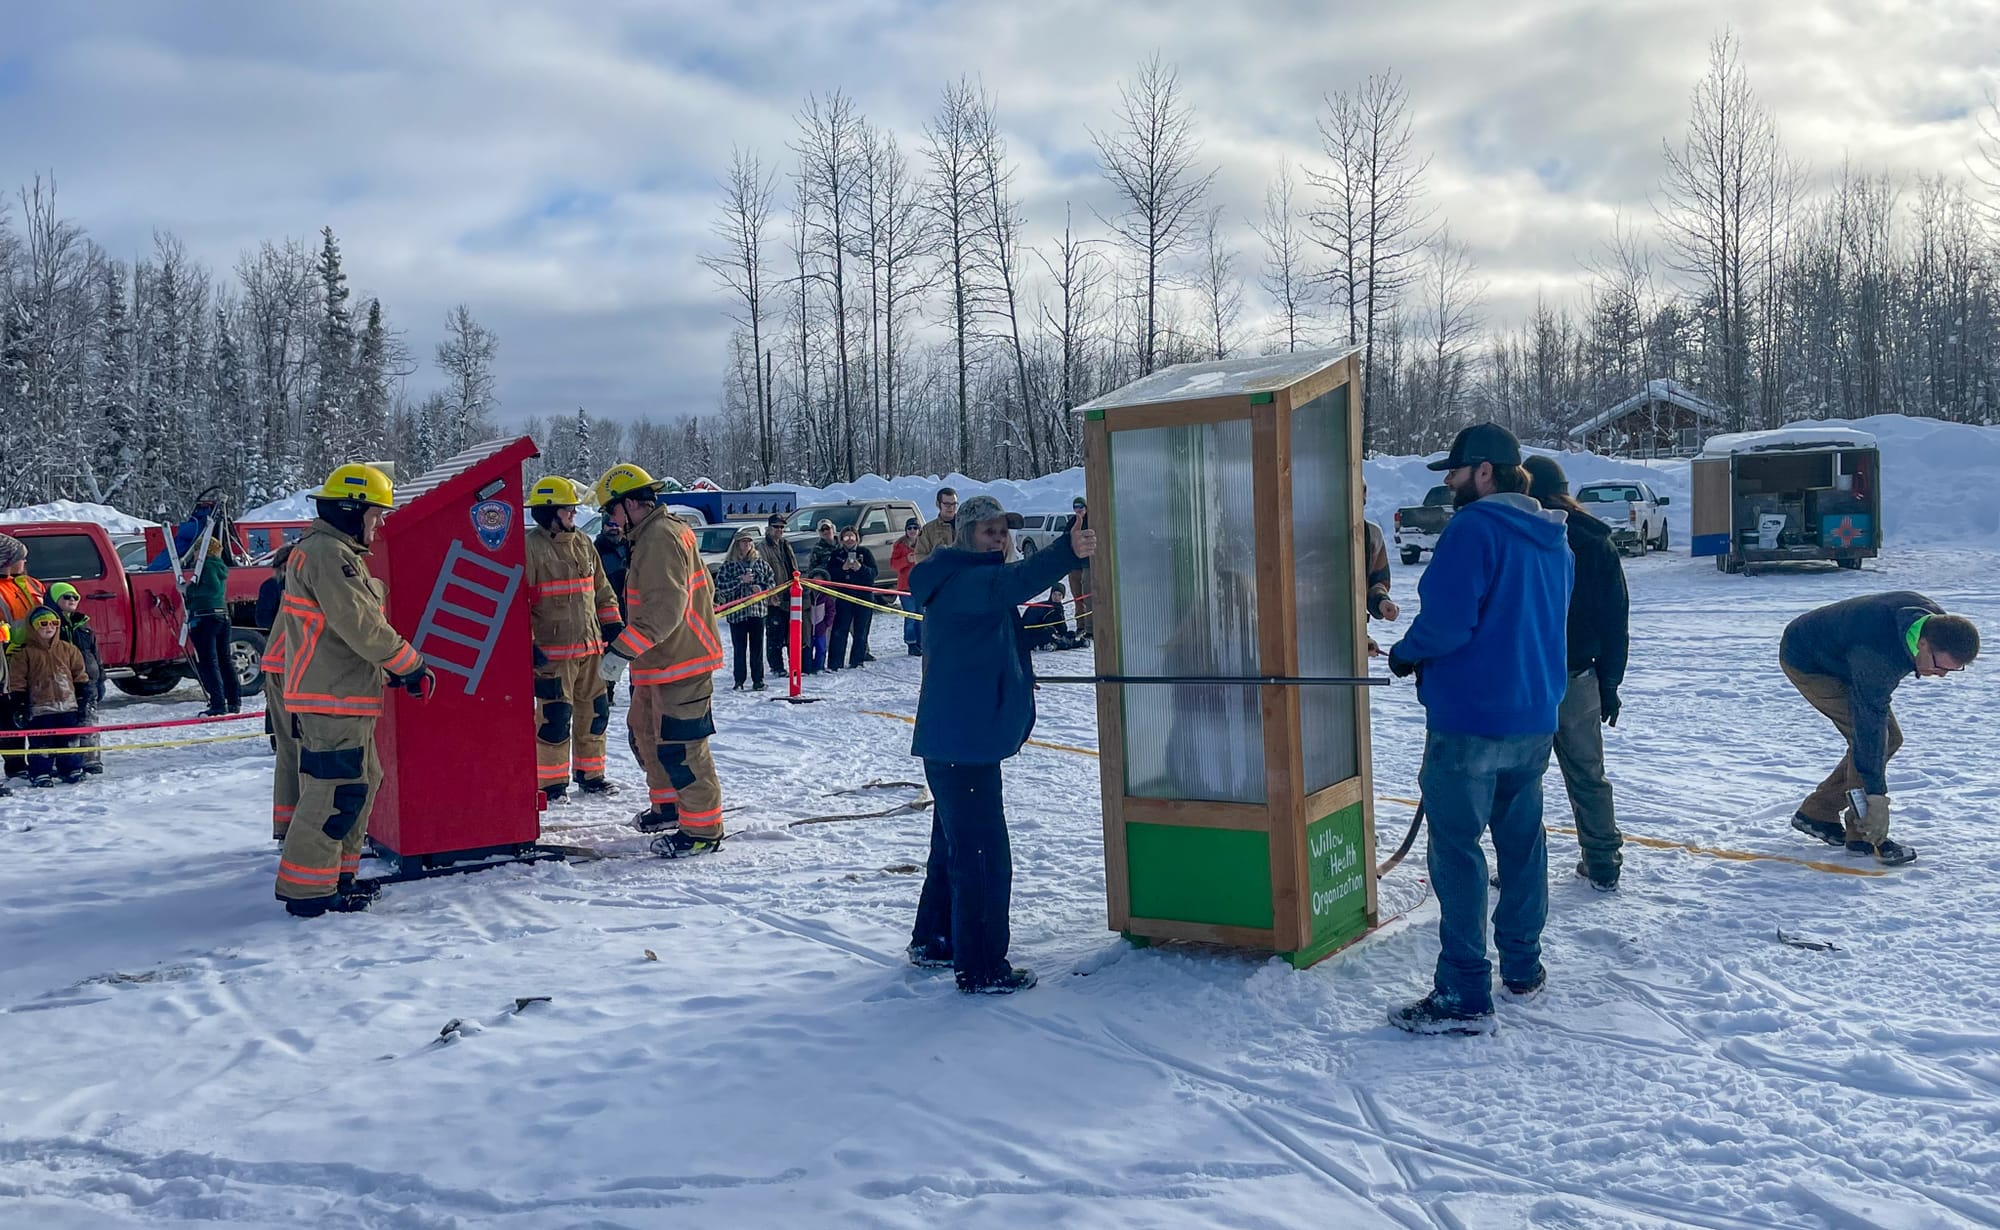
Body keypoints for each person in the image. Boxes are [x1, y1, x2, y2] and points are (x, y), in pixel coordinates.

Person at [1384, 423, 1573, 1035]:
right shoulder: (1555, 539)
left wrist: (1406, 652)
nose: (1448, 480)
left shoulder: (1472, 529)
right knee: (1522, 843)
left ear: (1484, 472)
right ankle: (1523, 966)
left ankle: (1464, 990)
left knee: (1457, 850)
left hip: (1470, 721)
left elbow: (1448, 622)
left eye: (1456, 470)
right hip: (1534, 716)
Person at [906, 494, 1097, 995]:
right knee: (984, 855)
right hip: (963, 743)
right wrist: (1068, 551)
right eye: (990, 530)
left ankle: (935, 939)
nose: (1000, 538)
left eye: (1004, 530)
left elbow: (1000, 621)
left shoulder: (958, 577)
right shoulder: (969, 579)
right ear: (966, 533)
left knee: (952, 845)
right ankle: (982, 967)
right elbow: (1017, 581)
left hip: (955, 738)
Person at [270, 463, 435, 918]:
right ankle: (307, 891)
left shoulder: (332, 551)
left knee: (361, 784)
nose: (379, 524)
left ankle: (336, 877)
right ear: (350, 510)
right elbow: (360, 624)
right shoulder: (327, 554)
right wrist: (410, 664)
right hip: (331, 698)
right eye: (374, 514)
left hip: (344, 694)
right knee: (333, 791)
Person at [1780, 592, 1979, 866]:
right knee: (1873, 738)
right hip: (1809, 660)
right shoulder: (1880, 656)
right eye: (1939, 666)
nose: (1941, 675)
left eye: (1952, 670)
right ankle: (1864, 835)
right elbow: (1869, 726)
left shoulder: (1935, 626)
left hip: (1846, 652)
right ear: (1922, 644)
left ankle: (1818, 812)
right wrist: (1876, 797)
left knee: (1888, 738)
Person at [594, 463, 727, 857]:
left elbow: (664, 611)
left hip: (681, 662)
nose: (611, 520)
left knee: (682, 747)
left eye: (612, 510)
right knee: (647, 736)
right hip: (658, 662)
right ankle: (668, 807)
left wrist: (621, 650)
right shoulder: (654, 534)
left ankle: (703, 830)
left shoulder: (659, 538)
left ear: (632, 503)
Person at [1523, 455, 1629, 891]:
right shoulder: (1596, 540)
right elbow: (1614, 618)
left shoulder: (1525, 538)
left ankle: (1523, 865)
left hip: (1527, 676)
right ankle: (1603, 860)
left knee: (1523, 779)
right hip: (1579, 675)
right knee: (1588, 775)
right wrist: (1610, 683)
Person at [525, 475, 624, 802]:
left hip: (591, 650)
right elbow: (517, 604)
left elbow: (603, 592)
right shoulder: (531, 548)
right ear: (549, 512)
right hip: (552, 657)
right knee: (555, 719)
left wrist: (612, 626)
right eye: (568, 510)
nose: (573, 515)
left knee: (596, 714)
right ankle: (551, 784)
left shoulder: (583, 542)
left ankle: (592, 776)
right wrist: (528, 646)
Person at [8, 607, 91, 786]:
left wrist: (83, 695)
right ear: (33, 627)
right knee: (41, 743)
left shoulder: (69, 649)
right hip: (40, 707)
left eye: (54, 623)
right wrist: (19, 703)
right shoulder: (24, 653)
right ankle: (40, 772)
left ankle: (70, 768)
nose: (49, 627)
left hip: (68, 705)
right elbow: (17, 680)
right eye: (43, 624)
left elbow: (80, 674)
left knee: (69, 741)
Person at [258, 541, 300, 838]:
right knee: (303, 748)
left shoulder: (271, 586)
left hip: (276, 660)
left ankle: (285, 826)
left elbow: (261, 618)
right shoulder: (307, 584)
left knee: (286, 747)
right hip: (296, 664)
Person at [48, 583, 105, 776]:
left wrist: (101, 679)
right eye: (66, 597)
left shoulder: (84, 627)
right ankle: (66, 760)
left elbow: (96, 655)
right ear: (55, 600)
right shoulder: (51, 626)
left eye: (75, 597)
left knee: (88, 720)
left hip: (88, 681)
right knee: (67, 723)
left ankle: (90, 759)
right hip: (62, 683)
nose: (71, 600)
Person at [183, 533, 241, 716]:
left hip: (205, 616)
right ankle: (234, 700)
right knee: (224, 659)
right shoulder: (220, 566)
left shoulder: (206, 566)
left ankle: (218, 704)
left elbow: (210, 588)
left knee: (209, 662)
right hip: (221, 615)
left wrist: (188, 589)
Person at [713, 527, 776, 691]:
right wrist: (740, 580)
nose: (747, 544)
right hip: (737, 613)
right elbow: (720, 587)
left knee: (757, 648)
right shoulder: (728, 566)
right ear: (737, 544)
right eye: (743, 541)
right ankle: (739, 680)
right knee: (739, 649)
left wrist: (761, 588)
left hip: (757, 611)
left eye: (749, 541)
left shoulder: (761, 564)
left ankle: (758, 680)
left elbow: (771, 583)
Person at [827, 526, 878, 670]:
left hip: (863, 597)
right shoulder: (836, 554)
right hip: (844, 596)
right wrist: (842, 569)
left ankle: (857, 660)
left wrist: (860, 568)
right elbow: (830, 574)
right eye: (846, 537)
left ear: (857, 538)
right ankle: (835, 663)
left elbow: (873, 574)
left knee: (861, 630)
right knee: (839, 630)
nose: (849, 540)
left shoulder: (865, 553)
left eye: (852, 537)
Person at [756, 513, 799, 676]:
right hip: (774, 598)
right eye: (776, 527)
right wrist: (769, 593)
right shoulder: (762, 548)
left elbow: (793, 567)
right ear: (769, 528)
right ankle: (777, 667)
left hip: (790, 596)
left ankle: (794, 665)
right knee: (775, 634)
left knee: (791, 633)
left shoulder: (786, 545)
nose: (779, 530)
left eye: (782, 527)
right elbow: (762, 573)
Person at [890, 517, 923, 656]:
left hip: (922, 586)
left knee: (921, 615)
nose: (912, 531)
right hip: (905, 586)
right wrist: (906, 560)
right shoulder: (899, 545)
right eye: (909, 528)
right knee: (910, 615)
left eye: (915, 528)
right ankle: (911, 642)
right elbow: (893, 565)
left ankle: (922, 643)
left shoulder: (924, 544)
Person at [1066, 496, 1093, 640]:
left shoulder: (1091, 521)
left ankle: (1090, 628)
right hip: (1074, 565)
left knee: (1087, 596)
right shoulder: (1071, 522)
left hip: (1087, 565)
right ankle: (1080, 626)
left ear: (1086, 508)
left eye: (1080, 507)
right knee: (1077, 598)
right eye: (1075, 507)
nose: (1078, 510)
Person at [909, 487, 959, 565]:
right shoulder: (929, 529)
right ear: (938, 504)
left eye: (954, 504)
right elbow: (919, 556)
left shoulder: (966, 526)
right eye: (947, 504)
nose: (951, 508)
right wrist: (936, 559)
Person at [803, 568, 834, 674]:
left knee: (821, 649)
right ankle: (808, 668)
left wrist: (826, 624)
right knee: (808, 649)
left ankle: (819, 667)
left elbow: (831, 612)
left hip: (821, 627)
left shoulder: (827, 596)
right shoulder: (807, 595)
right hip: (809, 627)